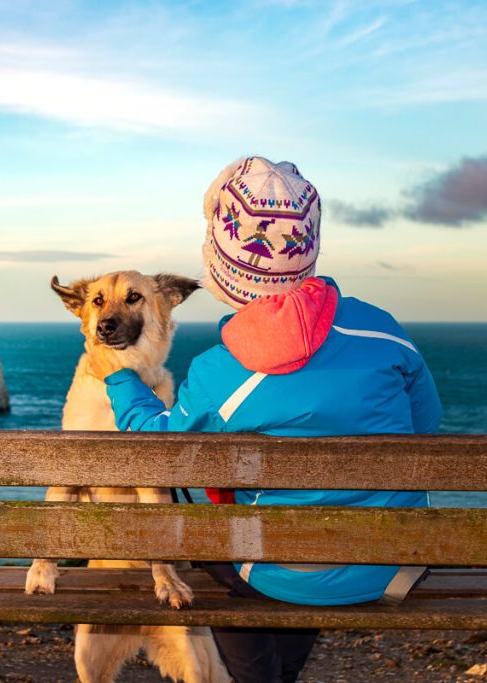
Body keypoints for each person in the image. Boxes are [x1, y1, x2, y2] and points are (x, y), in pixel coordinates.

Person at [86, 156, 442, 683]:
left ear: (224, 264)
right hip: (392, 560)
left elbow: (154, 446)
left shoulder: (221, 372)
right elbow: (425, 424)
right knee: (307, 530)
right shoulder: (382, 329)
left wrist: (116, 376)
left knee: (231, 546)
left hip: (282, 573)